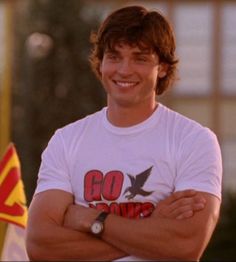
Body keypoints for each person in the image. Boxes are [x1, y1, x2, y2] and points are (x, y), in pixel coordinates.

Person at [26, 5, 222, 261]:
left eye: (140, 58)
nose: (124, 70)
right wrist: (152, 227)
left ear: (162, 67)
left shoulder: (193, 141)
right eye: (114, 56)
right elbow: (41, 246)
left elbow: (186, 244)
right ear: (101, 61)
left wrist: (93, 220)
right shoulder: (67, 141)